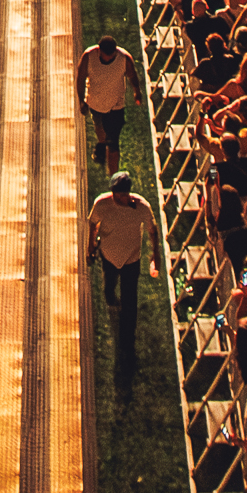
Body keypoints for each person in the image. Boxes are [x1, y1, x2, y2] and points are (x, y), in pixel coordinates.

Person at [88, 170, 158, 388]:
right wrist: (91, 246)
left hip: (131, 258)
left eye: (123, 195)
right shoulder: (102, 204)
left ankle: (128, 337)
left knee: (130, 298)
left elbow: (152, 229)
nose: (119, 198)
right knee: (109, 287)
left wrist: (155, 255)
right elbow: (92, 223)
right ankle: (111, 299)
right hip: (108, 255)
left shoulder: (141, 207)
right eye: (116, 194)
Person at [80, 31, 137, 169]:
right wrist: (81, 100)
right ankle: (102, 144)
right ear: (100, 51)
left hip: (116, 105)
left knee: (113, 140)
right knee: (99, 126)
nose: (110, 58)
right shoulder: (89, 57)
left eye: (112, 55)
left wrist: (137, 92)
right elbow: (80, 78)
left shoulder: (124, 58)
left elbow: (132, 75)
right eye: (107, 56)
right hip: (95, 101)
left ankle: (113, 171)